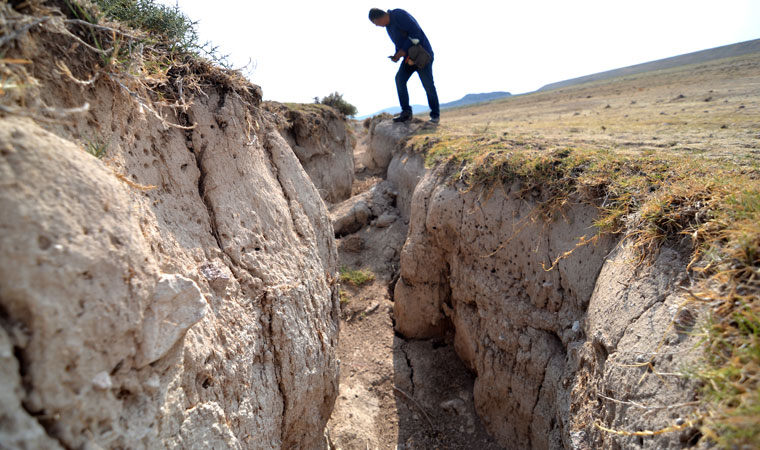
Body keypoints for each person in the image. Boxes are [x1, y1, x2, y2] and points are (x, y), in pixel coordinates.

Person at [369, 8, 440, 124]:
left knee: (428, 85)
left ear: (380, 17)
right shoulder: (388, 27)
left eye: (376, 23)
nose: (377, 26)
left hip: (422, 55)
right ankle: (406, 112)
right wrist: (397, 55)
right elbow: (399, 42)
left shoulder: (399, 15)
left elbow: (415, 33)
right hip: (409, 58)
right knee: (399, 79)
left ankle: (435, 116)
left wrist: (402, 50)